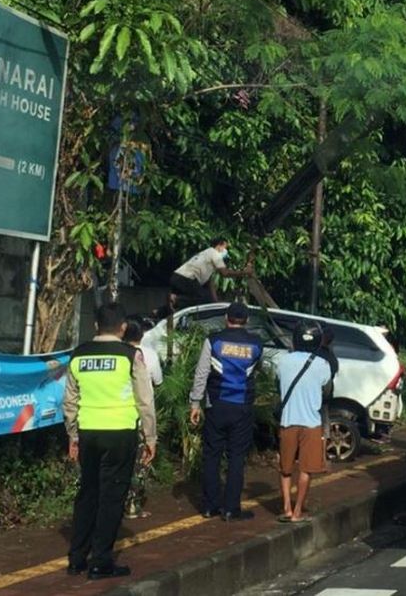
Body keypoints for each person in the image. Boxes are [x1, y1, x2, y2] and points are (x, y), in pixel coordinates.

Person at [63, 303, 157, 580]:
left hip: (88, 433)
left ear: (95, 326)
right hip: (120, 434)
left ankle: (77, 558)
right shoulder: (131, 355)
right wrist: (150, 437)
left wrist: (73, 436)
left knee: (87, 495)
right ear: (123, 327)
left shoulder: (79, 355)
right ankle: (100, 561)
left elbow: (70, 401)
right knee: (112, 498)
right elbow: (145, 400)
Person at [189, 302, 263, 521]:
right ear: (247, 320)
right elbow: (255, 373)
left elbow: (201, 374)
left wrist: (195, 403)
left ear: (225, 318)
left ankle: (210, 506)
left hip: (216, 406)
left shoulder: (213, 341)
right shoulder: (256, 345)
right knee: (236, 457)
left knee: (211, 455)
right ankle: (231, 508)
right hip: (242, 406)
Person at [276, 320, 331, 523]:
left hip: (288, 420)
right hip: (312, 423)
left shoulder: (283, 361)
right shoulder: (322, 365)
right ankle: (298, 510)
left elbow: (278, 383)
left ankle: (286, 508)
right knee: (306, 469)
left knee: (285, 468)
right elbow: (326, 388)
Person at [122, 315, 163, 520]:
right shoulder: (149, 355)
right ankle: (133, 504)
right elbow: (157, 381)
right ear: (142, 334)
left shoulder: (116, 353)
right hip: (140, 415)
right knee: (141, 461)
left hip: (116, 414)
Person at [155, 238, 252, 318]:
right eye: (225, 247)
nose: (225, 251)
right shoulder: (214, 253)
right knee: (203, 299)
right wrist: (244, 272)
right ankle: (176, 299)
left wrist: (215, 302)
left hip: (177, 277)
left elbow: (211, 283)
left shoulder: (206, 256)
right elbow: (225, 273)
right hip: (186, 279)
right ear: (219, 245)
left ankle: (158, 312)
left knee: (179, 305)